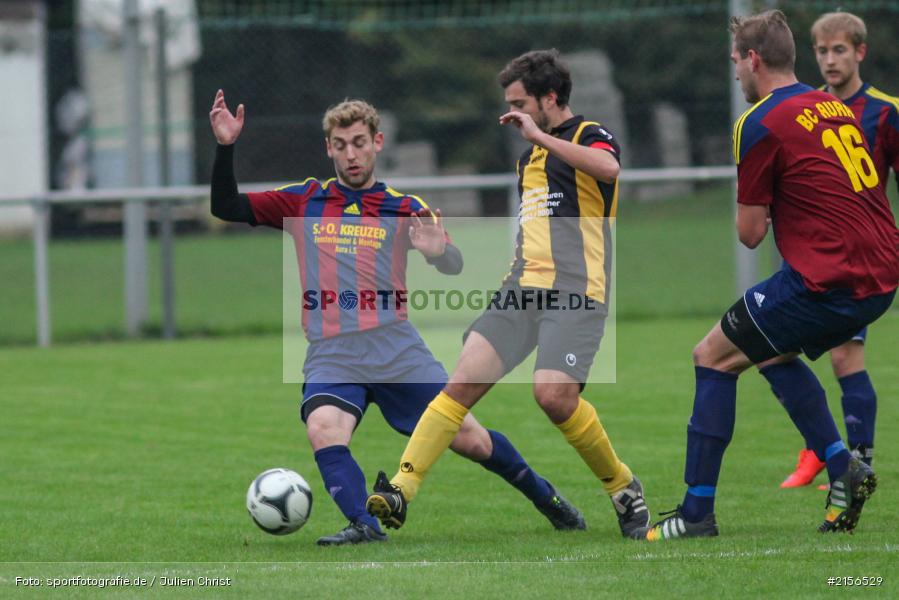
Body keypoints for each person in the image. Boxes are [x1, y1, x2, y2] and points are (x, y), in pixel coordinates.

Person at [208, 93, 588, 546]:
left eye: (359, 142)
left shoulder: (402, 206)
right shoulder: (303, 200)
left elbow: (454, 264)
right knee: (324, 427)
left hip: (396, 349)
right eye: (341, 144)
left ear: (377, 143)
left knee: (469, 437)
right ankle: (364, 527)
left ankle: (546, 497)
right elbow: (226, 206)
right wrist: (226, 146)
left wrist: (440, 251)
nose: (351, 154)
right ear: (328, 148)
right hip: (332, 351)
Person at [632, 10, 898, 541]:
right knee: (770, 351)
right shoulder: (832, 105)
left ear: (752, 59)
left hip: (827, 278)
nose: (735, 74)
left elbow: (750, 233)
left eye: (735, 62)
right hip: (881, 277)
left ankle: (696, 513)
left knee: (711, 356)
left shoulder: (758, 121)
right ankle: (841, 466)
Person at [366, 49, 651, 539]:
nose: (511, 113)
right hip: (521, 291)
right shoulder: (528, 159)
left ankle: (623, 488)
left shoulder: (589, 135)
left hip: (576, 290)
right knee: (459, 385)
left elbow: (608, 170)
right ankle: (399, 491)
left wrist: (542, 136)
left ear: (550, 97)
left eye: (520, 102)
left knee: (553, 396)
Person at [778, 11, 899, 489]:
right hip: (811, 254)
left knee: (845, 358)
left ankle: (852, 461)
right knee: (776, 351)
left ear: (860, 52)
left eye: (839, 50)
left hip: (861, 258)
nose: (829, 60)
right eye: (822, 51)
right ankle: (820, 449)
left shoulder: (885, 112)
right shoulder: (806, 109)